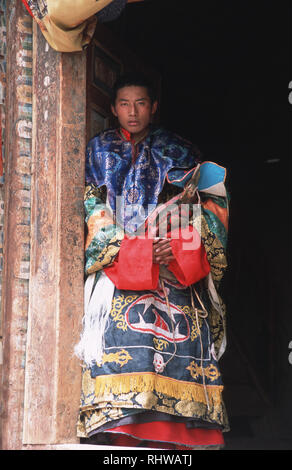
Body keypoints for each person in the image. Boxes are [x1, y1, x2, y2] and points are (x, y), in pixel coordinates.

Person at [75, 73, 230, 449]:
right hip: (119, 265)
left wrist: (174, 248)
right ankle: (119, 435)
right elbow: (88, 205)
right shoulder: (97, 153)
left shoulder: (181, 153)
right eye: (124, 104)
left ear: (154, 107)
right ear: (112, 109)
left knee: (182, 340)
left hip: (173, 267)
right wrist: (132, 251)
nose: (133, 112)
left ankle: (177, 438)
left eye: (141, 103)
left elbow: (209, 206)